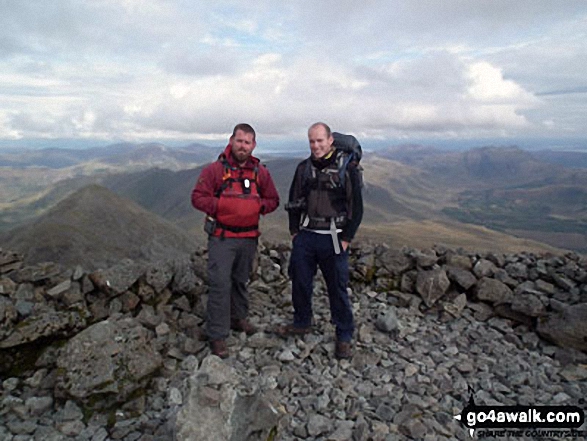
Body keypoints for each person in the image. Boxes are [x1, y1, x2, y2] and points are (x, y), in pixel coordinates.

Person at [192, 123, 279, 359]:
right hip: (222, 237)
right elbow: (198, 198)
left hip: (249, 238)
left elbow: (273, 200)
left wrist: (256, 206)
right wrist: (222, 207)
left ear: (254, 145)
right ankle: (217, 335)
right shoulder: (215, 170)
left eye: (247, 142)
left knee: (241, 280)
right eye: (239, 141)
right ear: (231, 141)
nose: (243, 146)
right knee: (220, 284)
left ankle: (238, 318)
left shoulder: (261, 172)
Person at [277, 122, 363, 359]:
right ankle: (302, 321)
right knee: (300, 282)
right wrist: (295, 231)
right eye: (312, 141)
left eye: (320, 141)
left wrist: (346, 238)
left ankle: (344, 334)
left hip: (334, 238)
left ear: (330, 140)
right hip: (307, 236)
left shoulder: (348, 168)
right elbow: (294, 200)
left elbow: (357, 207)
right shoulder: (304, 168)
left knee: (337, 287)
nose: (316, 146)